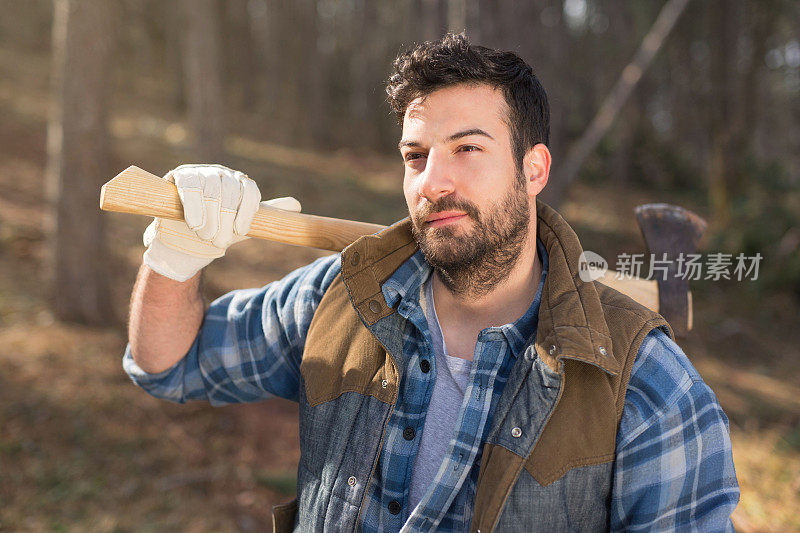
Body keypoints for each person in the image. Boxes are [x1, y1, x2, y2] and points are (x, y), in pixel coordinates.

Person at [124, 34, 739, 532]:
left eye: (467, 148)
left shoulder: (643, 382)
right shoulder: (339, 301)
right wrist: (175, 261)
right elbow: (167, 363)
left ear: (534, 168)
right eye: (416, 156)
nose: (432, 182)